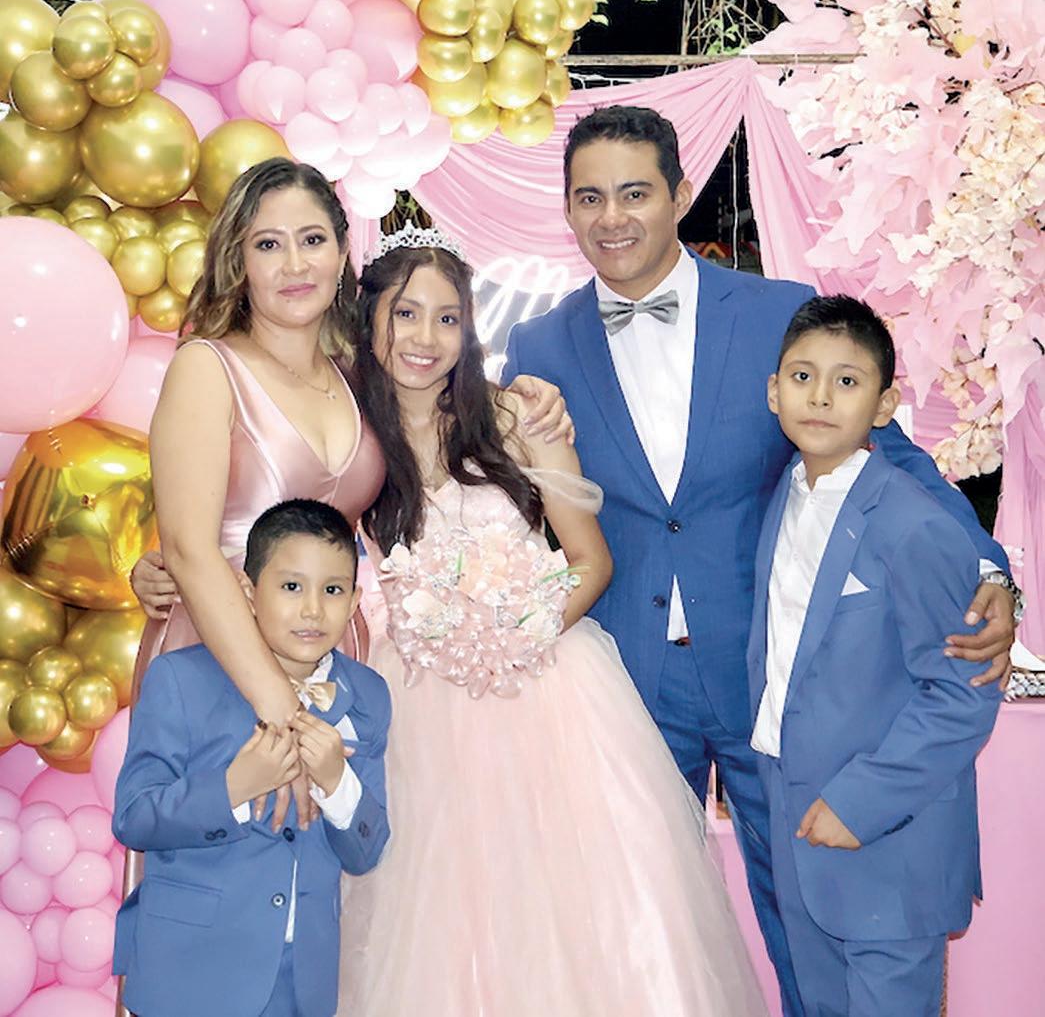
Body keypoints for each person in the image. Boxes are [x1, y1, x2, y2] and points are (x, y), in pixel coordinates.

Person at [500, 105, 1019, 1016]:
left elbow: (893, 457)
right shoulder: (537, 345)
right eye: (589, 198)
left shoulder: (779, 312)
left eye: (633, 193)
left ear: (679, 195)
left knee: (804, 907)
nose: (611, 218)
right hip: (626, 678)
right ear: (567, 207)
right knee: (639, 926)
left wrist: (987, 572)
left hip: (772, 670)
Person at [336, 226, 768, 1016]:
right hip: (417, 698)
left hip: (546, 685)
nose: (425, 338)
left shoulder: (515, 417)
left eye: (446, 317)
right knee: (441, 911)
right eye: (405, 314)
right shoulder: (348, 438)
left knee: (580, 905)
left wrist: (512, 639)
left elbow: (590, 561)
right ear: (371, 322)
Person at [127, 157, 570, 838]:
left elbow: (445, 410)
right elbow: (190, 549)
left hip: (336, 653)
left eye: (312, 239)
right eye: (267, 243)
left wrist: (532, 397)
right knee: (224, 863)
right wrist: (286, 714)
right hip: (222, 650)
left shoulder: (355, 379)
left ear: (341, 253)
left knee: (324, 873)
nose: (293, 264)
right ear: (238, 260)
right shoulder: (207, 366)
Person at [748, 296, 1003, 1016]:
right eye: (802, 377)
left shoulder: (914, 523)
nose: (820, 397)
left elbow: (961, 693)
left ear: (885, 404)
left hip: (886, 840)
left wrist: (858, 803)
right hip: (794, 821)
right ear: (773, 392)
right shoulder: (781, 495)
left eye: (847, 381)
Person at [113, 499, 391, 1017]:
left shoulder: (368, 694)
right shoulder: (180, 678)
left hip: (300, 984)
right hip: (190, 977)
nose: (313, 610)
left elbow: (365, 852)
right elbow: (134, 818)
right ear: (247, 591)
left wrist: (338, 784)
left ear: (355, 599)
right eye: (291, 587)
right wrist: (234, 788)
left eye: (332, 590)